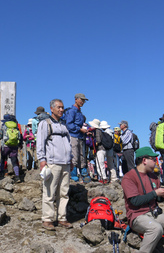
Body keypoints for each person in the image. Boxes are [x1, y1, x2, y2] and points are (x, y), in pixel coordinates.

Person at [121, 147, 164, 253]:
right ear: (144, 160)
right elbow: (135, 201)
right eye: (154, 159)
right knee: (156, 229)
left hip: (154, 213)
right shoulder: (129, 177)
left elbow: (156, 199)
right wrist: (155, 193)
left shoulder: (154, 177)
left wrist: (163, 196)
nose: (156, 161)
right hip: (137, 216)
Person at [37, 99, 73, 231]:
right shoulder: (44, 124)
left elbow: (68, 144)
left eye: (63, 107)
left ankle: (62, 218)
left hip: (65, 163)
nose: (61, 110)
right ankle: (47, 219)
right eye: (59, 107)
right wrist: (42, 160)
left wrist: (71, 159)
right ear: (51, 109)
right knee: (49, 191)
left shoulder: (63, 126)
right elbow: (40, 143)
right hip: (52, 162)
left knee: (64, 192)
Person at [64, 93, 91, 183]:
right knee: (74, 156)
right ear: (76, 99)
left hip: (80, 136)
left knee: (82, 156)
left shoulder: (79, 112)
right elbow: (69, 125)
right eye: (81, 100)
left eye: (83, 100)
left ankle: (84, 176)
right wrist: (80, 129)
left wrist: (85, 131)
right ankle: (74, 176)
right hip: (73, 136)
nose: (82, 102)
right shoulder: (72, 111)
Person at [0, 114, 22, 183]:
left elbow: (0, 136)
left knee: (3, 159)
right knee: (14, 161)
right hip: (14, 146)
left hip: (5, 146)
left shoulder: (4, 125)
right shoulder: (15, 126)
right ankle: (17, 176)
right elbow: (19, 135)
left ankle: (2, 175)